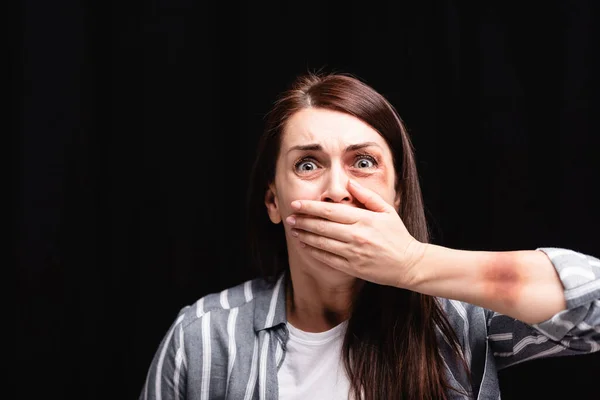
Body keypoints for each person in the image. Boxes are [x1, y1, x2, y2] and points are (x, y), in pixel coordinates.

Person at [139, 72, 600, 400]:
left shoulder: (460, 317)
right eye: (307, 164)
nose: (338, 190)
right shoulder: (203, 337)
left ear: (397, 194)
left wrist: (415, 264)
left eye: (363, 162)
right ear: (273, 202)